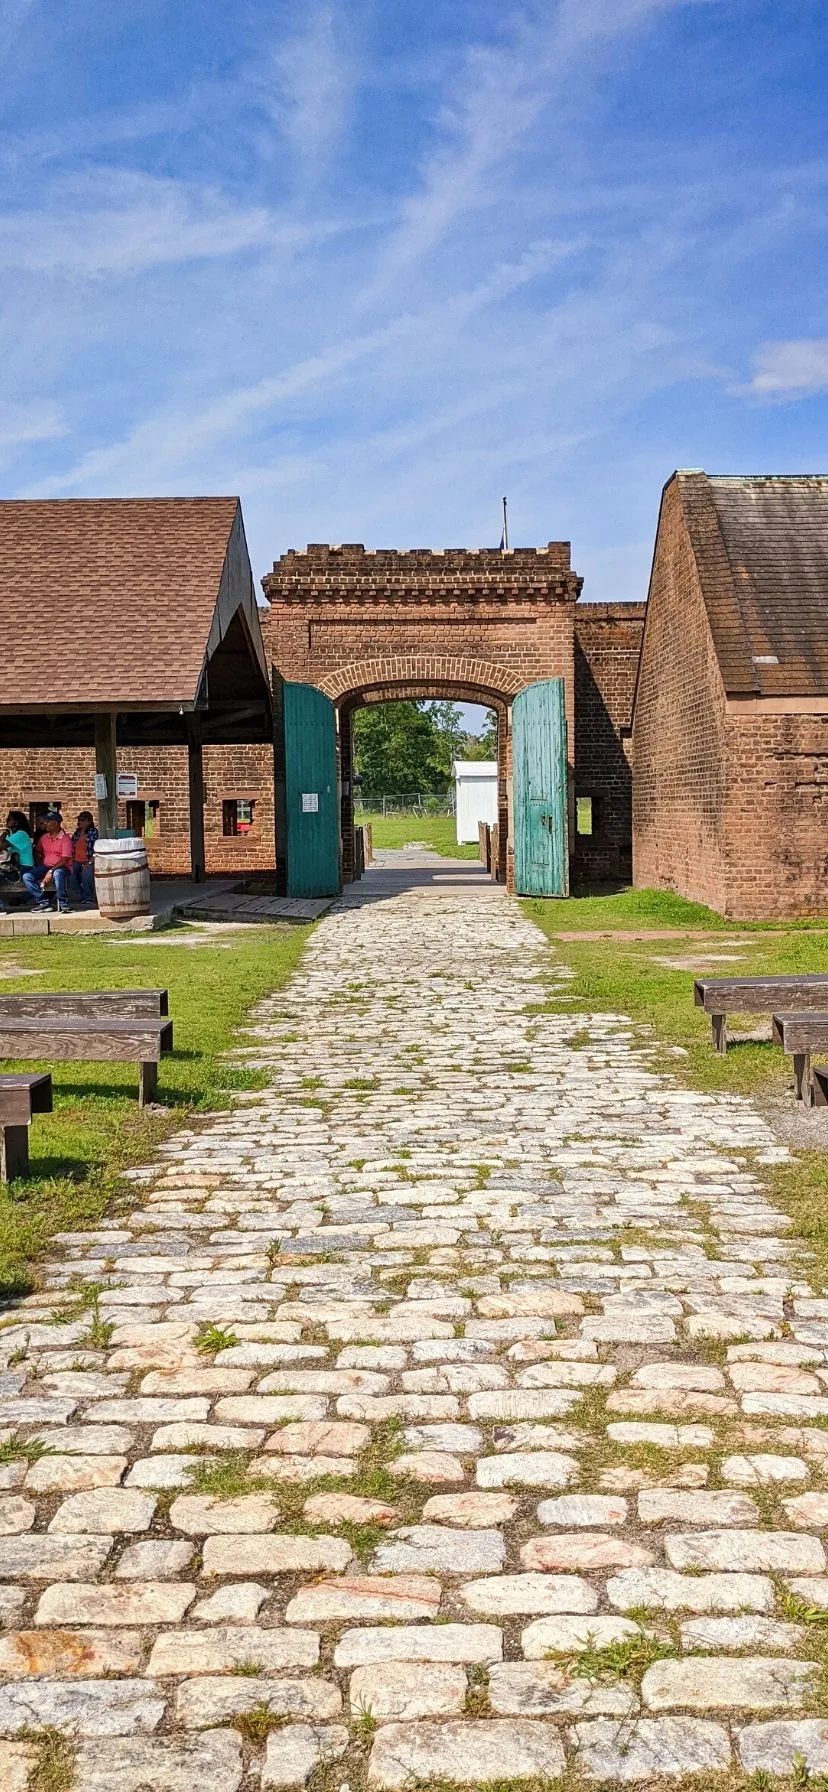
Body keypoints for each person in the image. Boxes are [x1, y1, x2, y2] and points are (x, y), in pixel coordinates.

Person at [23, 812, 74, 913]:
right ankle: (43, 902)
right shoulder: (44, 837)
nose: (45, 824)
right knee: (27, 876)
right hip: (45, 867)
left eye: (47, 821)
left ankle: (64, 903)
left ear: (55, 823)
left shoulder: (65, 839)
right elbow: (37, 850)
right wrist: (40, 862)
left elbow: (64, 860)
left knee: (58, 873)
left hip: (62, 867)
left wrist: (50, 871)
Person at [0, 811, 34, 914]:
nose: (6, 821)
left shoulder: (21, 834)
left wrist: (4, 833)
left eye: (9, 819)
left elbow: (1, 846)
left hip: (23, 868)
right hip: (15, 868)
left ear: (16, 822)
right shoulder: (13, 834)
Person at [71, 811, 98, 906]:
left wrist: (91, 861)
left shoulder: (93, 832)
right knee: (71, 872)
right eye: (79, 820)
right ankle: (82, 894)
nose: (80, 822)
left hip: (89, 860)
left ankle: (88, 897)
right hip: (77, 860)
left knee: (87, 874)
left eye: (82, 820)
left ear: (89, 821)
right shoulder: (76, 833)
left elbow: (96, 849)